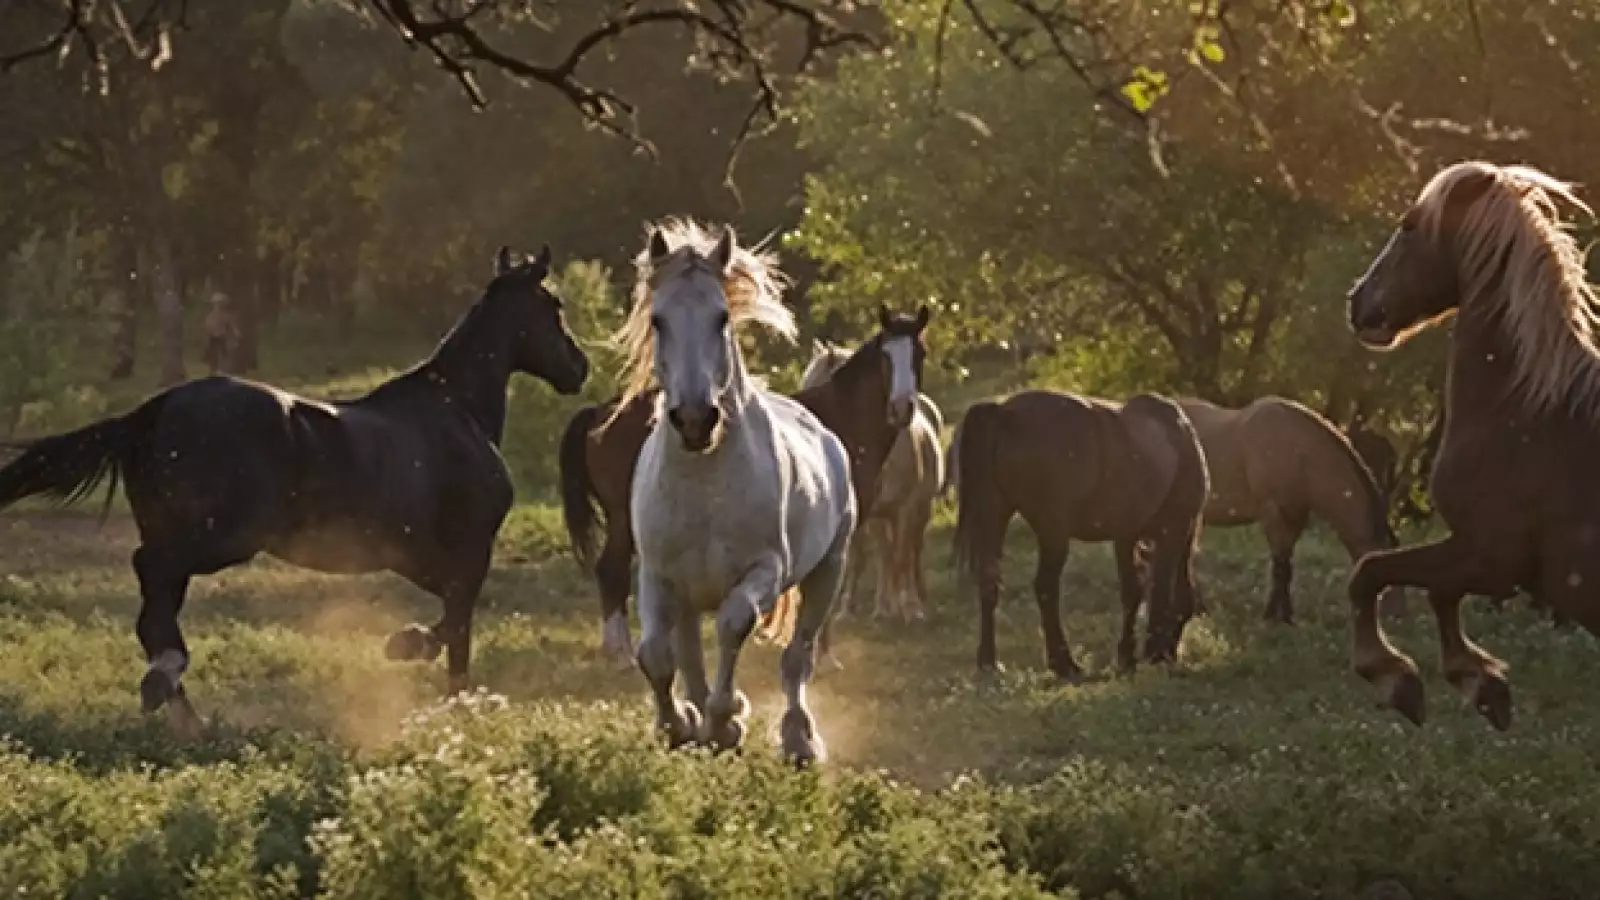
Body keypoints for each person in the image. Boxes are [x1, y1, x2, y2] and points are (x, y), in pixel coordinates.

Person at [202, 292, 241, 375]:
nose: (218, 305)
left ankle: (222, 371)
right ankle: (213, 370)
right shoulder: (210, 316)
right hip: (212, 338)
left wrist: (236, 333)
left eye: (220, 303)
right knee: (213, 354)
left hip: (222, 337)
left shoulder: (225, 316)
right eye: (216, 304)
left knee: (223, 354)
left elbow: (231, 326)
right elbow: (207, 327)